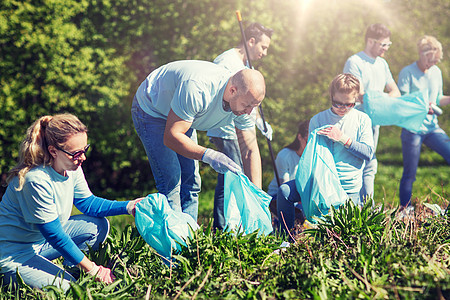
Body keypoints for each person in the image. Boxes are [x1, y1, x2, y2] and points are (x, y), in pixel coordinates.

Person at [0, 114, 142, 291]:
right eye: (76, 153)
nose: (82, 158)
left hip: (40, 244)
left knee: (96, 225)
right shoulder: (35, 180)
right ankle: (18, 277)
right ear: (53, 151)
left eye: (84, 149)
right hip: (14, 255)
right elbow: (55, 235)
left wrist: (130, 206)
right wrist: (93, 269)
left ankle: (70, 268)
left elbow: (88, 203)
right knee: (72, 290)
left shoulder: (71, 166)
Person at [131, 60, 266, 222]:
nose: (249, 111)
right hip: (151, 109)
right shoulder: (199, 88)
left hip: (182, 114)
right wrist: (209, 155)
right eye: (247, 105)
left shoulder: (246, 103)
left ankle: (190, 239)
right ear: (232, 90)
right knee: (172, 182)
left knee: (192, 182)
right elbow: (171, 136)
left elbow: (250, 150)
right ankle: (174, 242)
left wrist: (257, 196)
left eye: (254, 106)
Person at [277, 74, 374, 233]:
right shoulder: (318, 119)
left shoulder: (362, 120)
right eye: (338, 104)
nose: (343, 108)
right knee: (284, 192)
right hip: (320, 184)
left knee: (343, 234)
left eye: (349, 104)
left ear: (356, 99)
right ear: (331, 97)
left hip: (347, 187)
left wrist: (343, 139)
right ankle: (286, 239)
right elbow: (311, 158)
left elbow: (368, 153)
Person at [207, 22, 274, 230]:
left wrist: (259, 121)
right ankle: (225, 229)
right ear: (250, 41)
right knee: (232, 174)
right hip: (224, 128)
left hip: (235, 126)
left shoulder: (245, 65)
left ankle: (230, 226)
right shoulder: (228, 62)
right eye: (263, 47)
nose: (265, 53)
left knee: (228, 176)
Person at [343, 23, 401, 202]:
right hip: (356, 121)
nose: (386, 49)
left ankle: (367, 209)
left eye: (388, 45)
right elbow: (357, 94)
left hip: (374, 122)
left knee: (370, 165)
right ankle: (352, 208)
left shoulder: (382, 64)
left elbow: (395, 91)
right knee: (357, 163)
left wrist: (379, 98)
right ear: (370, 41)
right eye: (383, 45)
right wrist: (382, 98)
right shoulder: (355, 62)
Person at [397, 35, 450, 211]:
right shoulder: (407, 72)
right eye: (430, 60)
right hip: (413, 128)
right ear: (421, 53)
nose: (432, 64)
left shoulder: (436, 72)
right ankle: (405, 209)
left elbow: (438, 98)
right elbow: (402, 101)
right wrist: (421, 107)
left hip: (431, 127)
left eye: (435, 61)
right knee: (410, 173)